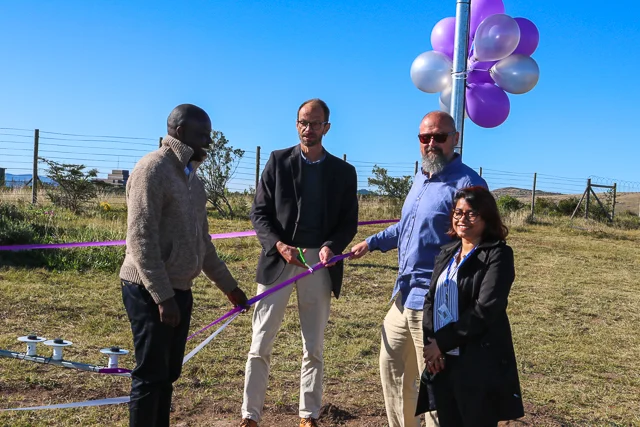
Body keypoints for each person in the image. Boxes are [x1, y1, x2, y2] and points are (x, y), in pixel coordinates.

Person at [350, 111, 487, 427]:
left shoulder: (469, 185)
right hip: (404, 295)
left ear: (455, 138)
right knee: (393, 371)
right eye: (425, 137)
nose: (432, 143)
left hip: (439, 303)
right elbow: (407, 227)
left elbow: (480, 247)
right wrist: (371, 243)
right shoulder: (421, 178)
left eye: (439, 137)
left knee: (438, 388)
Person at [119, 104, 249, 427]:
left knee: (168, 375)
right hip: (148, 289)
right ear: (179, 132)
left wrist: (230, 288)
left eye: (209, 135)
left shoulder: (195, 182)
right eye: (202, 134)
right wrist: (163, 297)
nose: (208, 141)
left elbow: (203, 245)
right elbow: (141, 241)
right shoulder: (152, 170)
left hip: (180, 290)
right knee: (150, 376)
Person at [240, 99, 358, 427]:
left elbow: (349, 222)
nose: (309, 129)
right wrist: (278, 245)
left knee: (314, 345)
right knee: (261, 341)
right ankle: (250, 415)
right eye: (303, 123)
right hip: (279, 259)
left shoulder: (344, 172)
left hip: (318, 265)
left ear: (327, 128)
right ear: (296, 125)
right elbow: (259, 213)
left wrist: (331, 247)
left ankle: (309, 415)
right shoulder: (278, 162)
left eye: (315, 123)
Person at [420, 186, 524, 427]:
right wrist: (431, 346)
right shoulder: (447, 252)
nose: (462, 219)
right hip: (444, 361)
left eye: (471, 213)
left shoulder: (498, 255)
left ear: (487, 217)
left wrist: (442, 342)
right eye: (458, 213)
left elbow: (485, 308)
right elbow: (430, 300)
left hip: (477, 363)